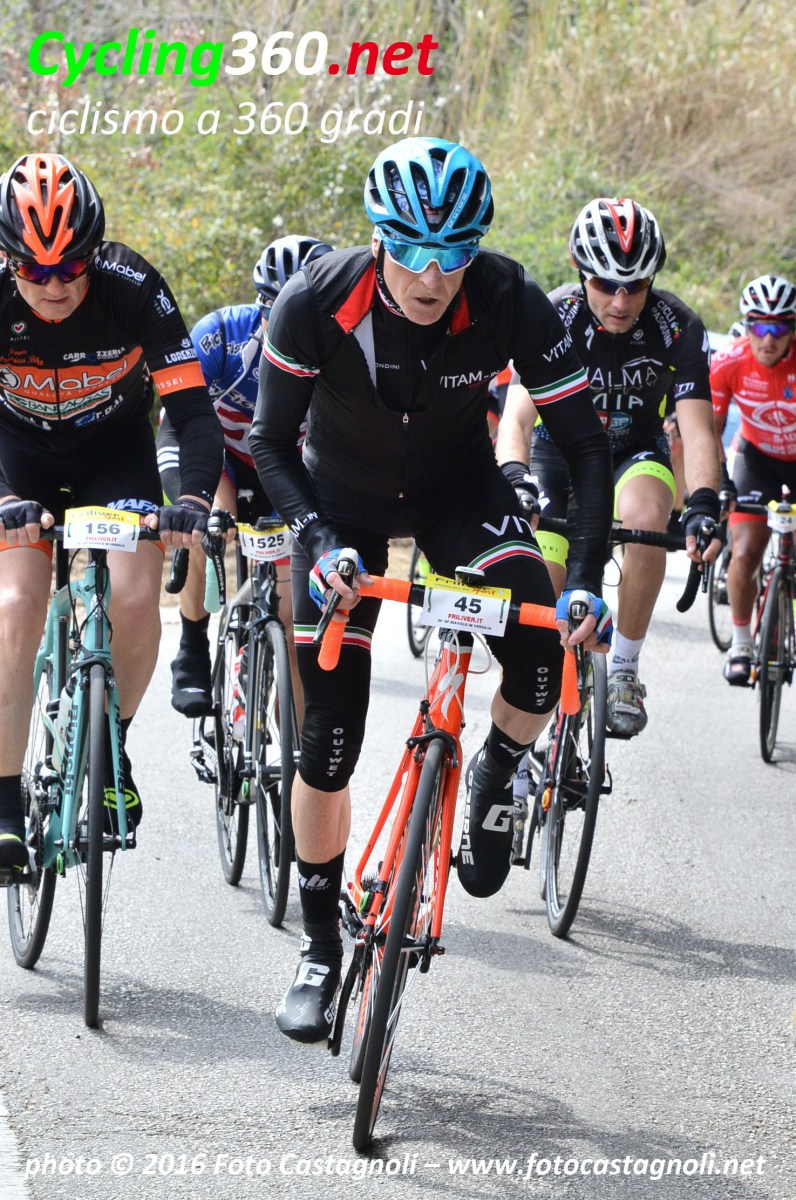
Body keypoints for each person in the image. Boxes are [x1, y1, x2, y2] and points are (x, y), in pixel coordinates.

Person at [249, 136, 615, 1044]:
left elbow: (585, 446)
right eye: (411, 249)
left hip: (460, 498)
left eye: (453, 253)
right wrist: (316, 538)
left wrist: (586, 580)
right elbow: (268, 442)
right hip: (340, 508)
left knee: (540, 653)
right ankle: (321, 947)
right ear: (379, 238)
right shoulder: (316, 299)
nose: (433, 275)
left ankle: (495, 770)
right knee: (328, 740)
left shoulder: (508, 296)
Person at [0, 152, 223, 873]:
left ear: (94, 253)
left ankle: (109, 744)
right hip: (17, 461)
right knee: (15, 606)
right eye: (34, 270)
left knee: (132, 595)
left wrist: (191, 500)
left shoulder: (133, 287)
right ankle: (2, 805)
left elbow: (193, 412)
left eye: (71, 265)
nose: (55, 284)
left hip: (114, 458)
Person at [497, 197, 722, 736]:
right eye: (605, 284)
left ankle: (624, 666)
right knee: (544, 590)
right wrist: (515, 479)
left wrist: (703, 505)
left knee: (645, 518)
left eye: (635, 286)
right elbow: (518, 418)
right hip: (557, 454)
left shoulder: (676, 326)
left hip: (633, 452)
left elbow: (697, 429)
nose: (620, 302)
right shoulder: (554, 314)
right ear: (582, 274)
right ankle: (520, 743)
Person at [157, 235, 333, 719]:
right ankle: (193, 644)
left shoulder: (342, 353)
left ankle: (291, 738)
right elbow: (180, 424)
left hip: (289, 470)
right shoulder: (220, 335)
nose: (287, 325)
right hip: (220, 459)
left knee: (292, 613)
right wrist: (203, 501)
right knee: (202, 525)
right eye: (274, 310)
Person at [710, 274, 796, 684]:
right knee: (744, 552)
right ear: (747, 326)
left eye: (779, 328)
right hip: (756, 458)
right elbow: (709, 431)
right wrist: (721, 482)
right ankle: (742, 644)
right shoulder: (729, 361)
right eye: (759, 327)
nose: (769, 339)